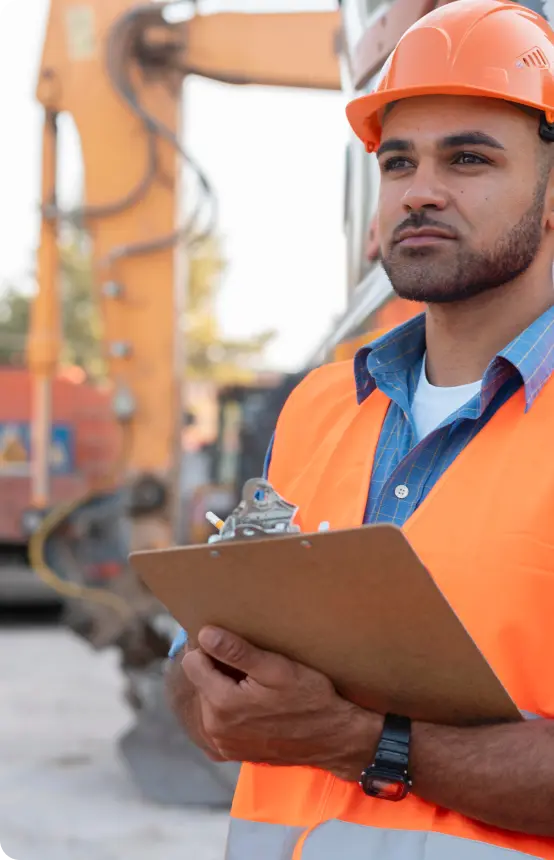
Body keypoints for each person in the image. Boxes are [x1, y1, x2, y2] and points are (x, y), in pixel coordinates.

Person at [166, 1, 554, 857]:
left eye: (469, 159)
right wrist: (211, 689)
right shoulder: (316, 407)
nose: (420, 191)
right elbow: (191, 687)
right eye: (398, 162)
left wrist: (355, 740)